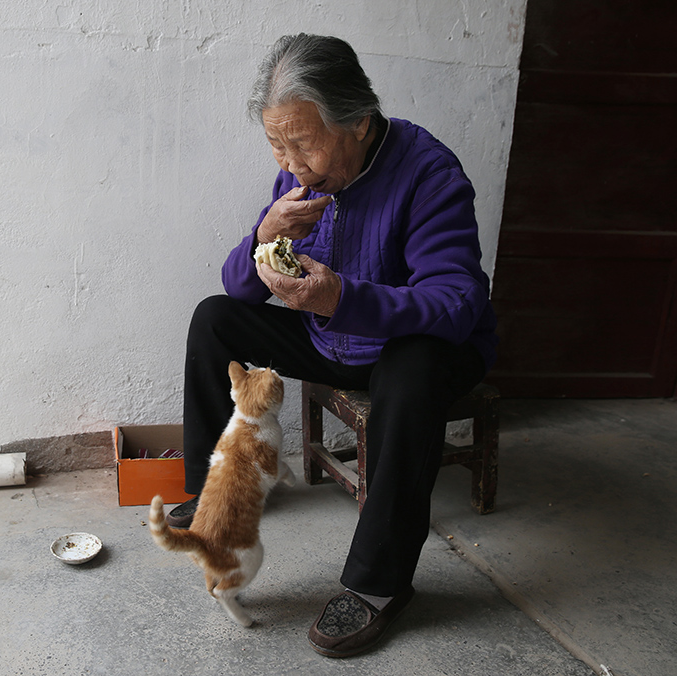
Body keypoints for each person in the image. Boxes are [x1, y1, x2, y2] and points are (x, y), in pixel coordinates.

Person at [165, 34, 498, 657]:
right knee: (214, 320)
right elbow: (239, 287)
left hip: (419, 347)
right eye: (276, 144)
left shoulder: (428, 172)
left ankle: (379, 585)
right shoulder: (300, 175)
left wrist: (342, 299)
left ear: (360, 123)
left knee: (411, 364)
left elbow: (456, 304)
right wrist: (262, 234)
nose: (291, 162)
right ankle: (209, 495)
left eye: (303, 143)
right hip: (335, 335)